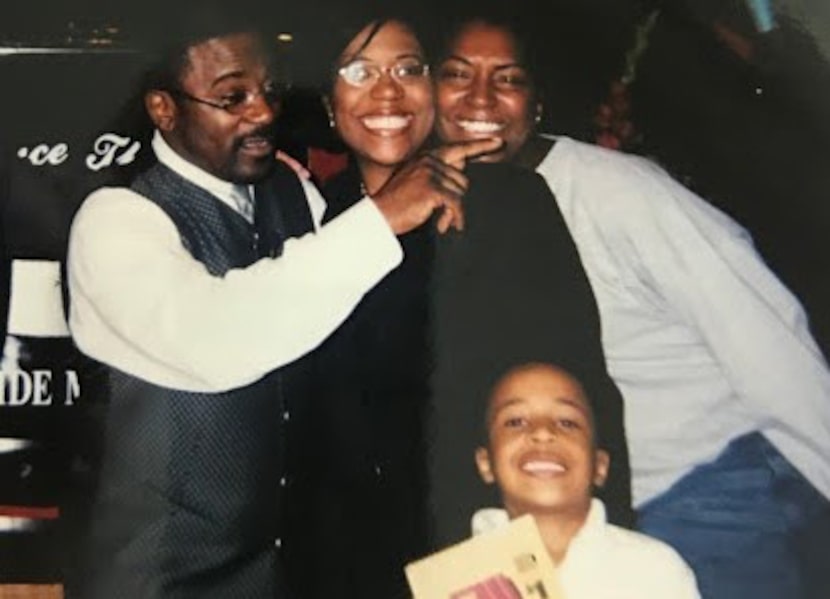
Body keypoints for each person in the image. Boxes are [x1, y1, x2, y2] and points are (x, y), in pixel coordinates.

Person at [65, 11, 494, 597]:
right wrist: (384, 216)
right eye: (232, 96)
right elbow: (215, 338)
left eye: (269, 90)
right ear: (164, 110)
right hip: (158, 583)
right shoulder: (115, 220)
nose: (264, 112)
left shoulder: (293, 193)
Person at [432, 14, 830, 599]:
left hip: (706, 488)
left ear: (536, 103)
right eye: (457, 75)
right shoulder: (439, 204)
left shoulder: (618, 193)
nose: (481, 97)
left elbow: (770, 342)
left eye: (508, 78)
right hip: (571, 508)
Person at [281, 11, 632, 598]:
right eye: (360, 70)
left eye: (408, 69)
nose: (387, 90)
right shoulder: (304, 216)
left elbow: (581, 389)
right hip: (341, 558)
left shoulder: (506, 204)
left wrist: (594, 563)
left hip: (480, 556)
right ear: (328, 100)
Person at [472, 362, 700, 599]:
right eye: (515, 422)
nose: (543, 432)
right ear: (485, 463)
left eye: (567, 422)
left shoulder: (656, 569)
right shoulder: (452, 577)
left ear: (600, 466)